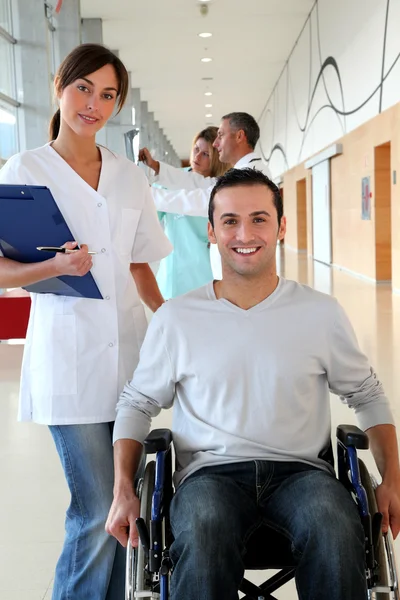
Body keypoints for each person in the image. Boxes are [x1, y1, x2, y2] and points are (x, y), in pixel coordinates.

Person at [106, 168, 400, 600]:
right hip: (209, 476)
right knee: (204, 530)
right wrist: (123, 489)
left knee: (334, 527)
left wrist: (391, 477)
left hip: (304, 474)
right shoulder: (178, 318)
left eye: (259, 218)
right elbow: (137, 402)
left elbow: (367, 395)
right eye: (230, 221)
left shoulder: (320, 313)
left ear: (281, 227)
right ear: (211, 231)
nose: (245, 233)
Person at [0, 43, 172, 600]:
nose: (93, 104)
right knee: (97, 506)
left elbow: (140, 261)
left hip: (129, 362)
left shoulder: (128, 177)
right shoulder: (24, 168)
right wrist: (54, 264)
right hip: (67, 364)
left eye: (107, 95)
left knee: (127, 511)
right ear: (59, 86)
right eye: (83, 89)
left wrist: (171, 321)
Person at [140, 112, 271, 279]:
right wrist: (156, 167)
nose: (216, 144)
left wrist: (146, 193)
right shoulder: (243, 172)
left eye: (221, 136)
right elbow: (199, 183)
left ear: (239, 136)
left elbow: (204, 200)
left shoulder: (250, 175)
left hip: (240, 268)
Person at [151, 126, 230, 298]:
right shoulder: (169, 179)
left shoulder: (220, 188)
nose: (197, 156)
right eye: (196, 149)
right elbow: (151, 219)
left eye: (206, 154)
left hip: (205, 270)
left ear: (216, 159)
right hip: (173, 269)